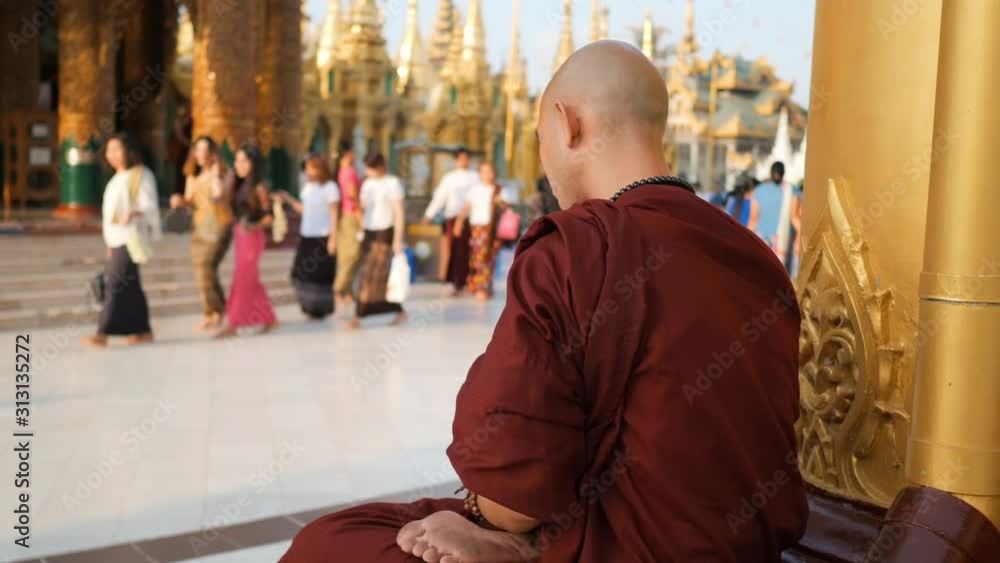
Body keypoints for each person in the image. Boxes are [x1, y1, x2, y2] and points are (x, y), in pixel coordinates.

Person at [281, 40, 806, 563]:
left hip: (616, 551)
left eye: (540, 138)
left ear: (567, 124)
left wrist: (502, 532)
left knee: (328, 543)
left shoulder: (578, 245)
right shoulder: (758, 259)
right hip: (744, 549)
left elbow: (512, 499)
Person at [83, 132, 161, 348]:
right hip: (116, 239)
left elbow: (149, 205)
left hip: (130, 237)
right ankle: (143, 330)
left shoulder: (141, 175)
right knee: (131, 284)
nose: (113, 155)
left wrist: (134, 214)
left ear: (129, 151)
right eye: (109, 150)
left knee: (115, 284)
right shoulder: (115, 180)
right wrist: (109, 243)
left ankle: (102, 332)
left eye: (118, 149)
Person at [214, 143, 278, 338]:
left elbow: (269, 217)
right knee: (248, 279)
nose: (238, 165)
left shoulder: (259, 187)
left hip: (253, 237)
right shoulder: (238, 184)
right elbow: (227, 206)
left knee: (243, 279)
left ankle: (234, 324)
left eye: (243, 161)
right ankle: (269, 318)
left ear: (253, 163)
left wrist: (252, 226)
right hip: (240, 235)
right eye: (236, 160)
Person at [171, 136, 235, 331]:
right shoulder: (192, 176)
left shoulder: (226, 173)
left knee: (206, 265)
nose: (201, 154)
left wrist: (215, 173)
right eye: (198, 150)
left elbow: (219, 196)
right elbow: (191, 200)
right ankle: (218, 310)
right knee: (202, 270)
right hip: (201, 225)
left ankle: (215, 312)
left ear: (213, 154)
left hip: (220, 223)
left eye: (206, 150)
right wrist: (180, 200)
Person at [346, 152, 407, 329]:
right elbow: (362, 209)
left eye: (371, 168)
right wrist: (354, 199)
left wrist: (398, 240)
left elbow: (399, 213)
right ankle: (399, 311)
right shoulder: (367, 184)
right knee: (370, 276)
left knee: (373, 276)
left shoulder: (392, 183)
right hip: (369, 233)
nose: (368, 171)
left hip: (385, 234)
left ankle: (358, 316)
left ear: (381, 166)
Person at [280, 154, 341, 320]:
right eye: (306, 169)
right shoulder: (308, 187)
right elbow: (305, 209)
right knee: (299, 273)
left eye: (311, 168)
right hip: (307, 235)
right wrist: (288, 200)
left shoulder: (330, 187)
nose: (307, 172)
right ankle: (308, 306)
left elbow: (334, 214)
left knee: (320, 276)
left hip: (322, 236)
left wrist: (333, 239)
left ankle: (320, 310)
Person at [421, 148, 479, 295]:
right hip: (453, 218)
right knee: (453, 249)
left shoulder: (475, 177)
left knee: (469, 250)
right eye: (461, 158)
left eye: (466, 158)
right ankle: (453, 281)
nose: (464, 161)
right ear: (456, 161)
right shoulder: (450, 178)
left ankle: (467, 281)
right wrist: (429, 214)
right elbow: (440, 197)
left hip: (472, 219)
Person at [454, 161, 510, 301]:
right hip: (477, 229)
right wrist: (459, 221)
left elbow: (509, 210)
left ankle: (486, 285)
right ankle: (480, 287)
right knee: (478, 258)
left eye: (489, 171)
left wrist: (500, 202)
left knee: (490, 258)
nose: (487, 175)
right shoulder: (475, 190)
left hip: (494, 230)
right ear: (480, 174)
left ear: (494, 173)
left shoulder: (500, 190)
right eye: (484, 172)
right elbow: (467, 207)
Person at [752, 161, 802, 271]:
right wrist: (802, 236)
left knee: (760, 273)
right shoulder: (792, 190)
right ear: (783, 173)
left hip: (760, 240)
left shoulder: (759, 191)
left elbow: (753, 219)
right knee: (778, 275)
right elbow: (794, 217)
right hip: (780, 242)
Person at [333, 142, 363, 307]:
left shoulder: (341, 171)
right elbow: (352, 195)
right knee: (353, 254)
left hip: (344, 216)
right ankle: (340, 288)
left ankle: (347, 290)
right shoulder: (350, 172)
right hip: (351, 215)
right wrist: (360, 215)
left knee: (347, 255)